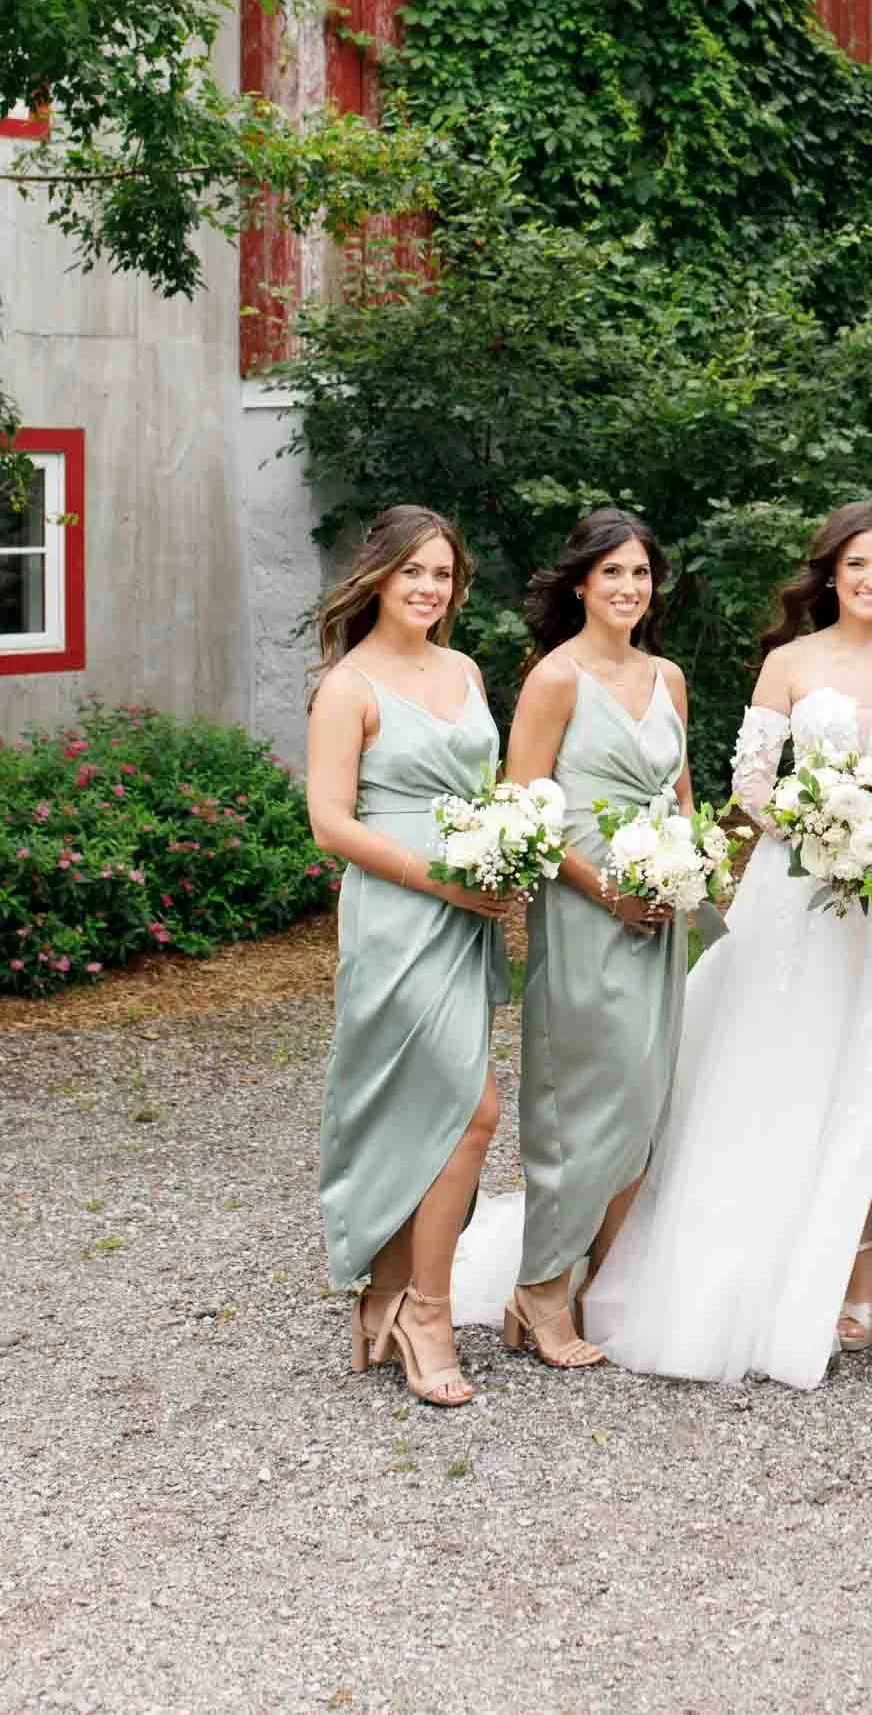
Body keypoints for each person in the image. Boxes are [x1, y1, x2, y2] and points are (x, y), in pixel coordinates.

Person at [581, 501, 872, 1388]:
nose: (871, 582)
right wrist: (820, 836)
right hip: (809, 893)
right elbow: (753, 782)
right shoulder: (789, 663)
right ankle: (857, 1257)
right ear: (829, 574)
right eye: (855, 567)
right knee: (821, 1072)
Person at [307, 506, 509, 1409]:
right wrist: (443, 878)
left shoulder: (464, 669)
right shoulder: (349, 685)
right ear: (377, 579)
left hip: (468, 917)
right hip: (398, 915)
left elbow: (490, 790)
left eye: (444, 575)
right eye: (413, 573)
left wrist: (511, 851)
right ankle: (427, 1312)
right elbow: (331, 823)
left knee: (435, 1109)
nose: (430, 589)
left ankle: (387, 1298)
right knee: (469, 1111)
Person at [485, 510, 694, 1371]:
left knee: (647, 1094)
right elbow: (522, 805)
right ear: (580, 584)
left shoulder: (669, 675)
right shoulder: (555, 680)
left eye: (640, 574)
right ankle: (539, 1287)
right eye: (612, 574)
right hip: (583, 909)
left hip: (660, 909)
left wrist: (685, 867)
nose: (628, 589)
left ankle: (598, 1277)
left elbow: (681, 791)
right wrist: (606, 890)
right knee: (580, 1095)